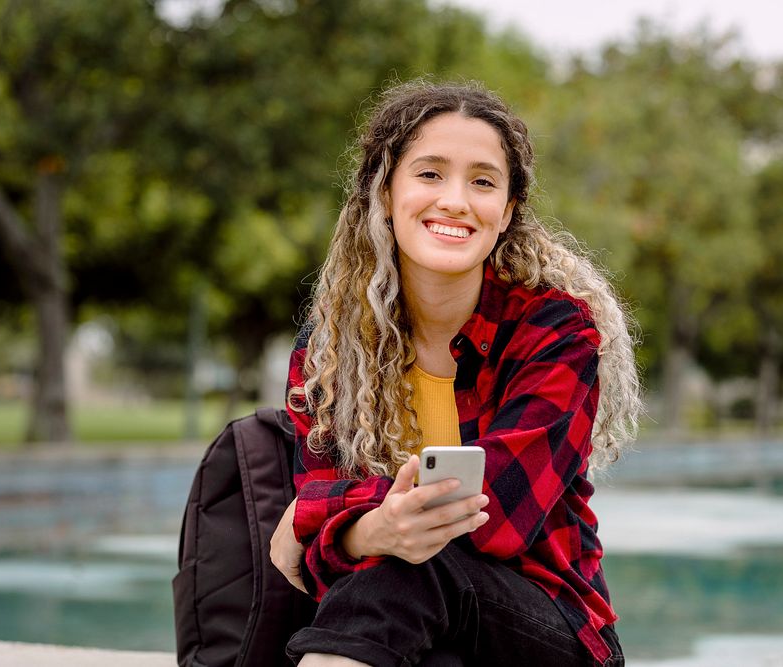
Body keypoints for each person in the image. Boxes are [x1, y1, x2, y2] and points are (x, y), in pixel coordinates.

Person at [270, 80, 641, 667]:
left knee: (412, 575)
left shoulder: (557, 332)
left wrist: (331, 519)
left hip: (546, 628)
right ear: (384, 194)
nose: (455, 201)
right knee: (401, 597)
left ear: (508, 211)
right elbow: (314, 548)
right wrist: (368, 531)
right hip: (400, 627)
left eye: (483, 182)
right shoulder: (332, 350)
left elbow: (497, 515)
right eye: (429, 174)